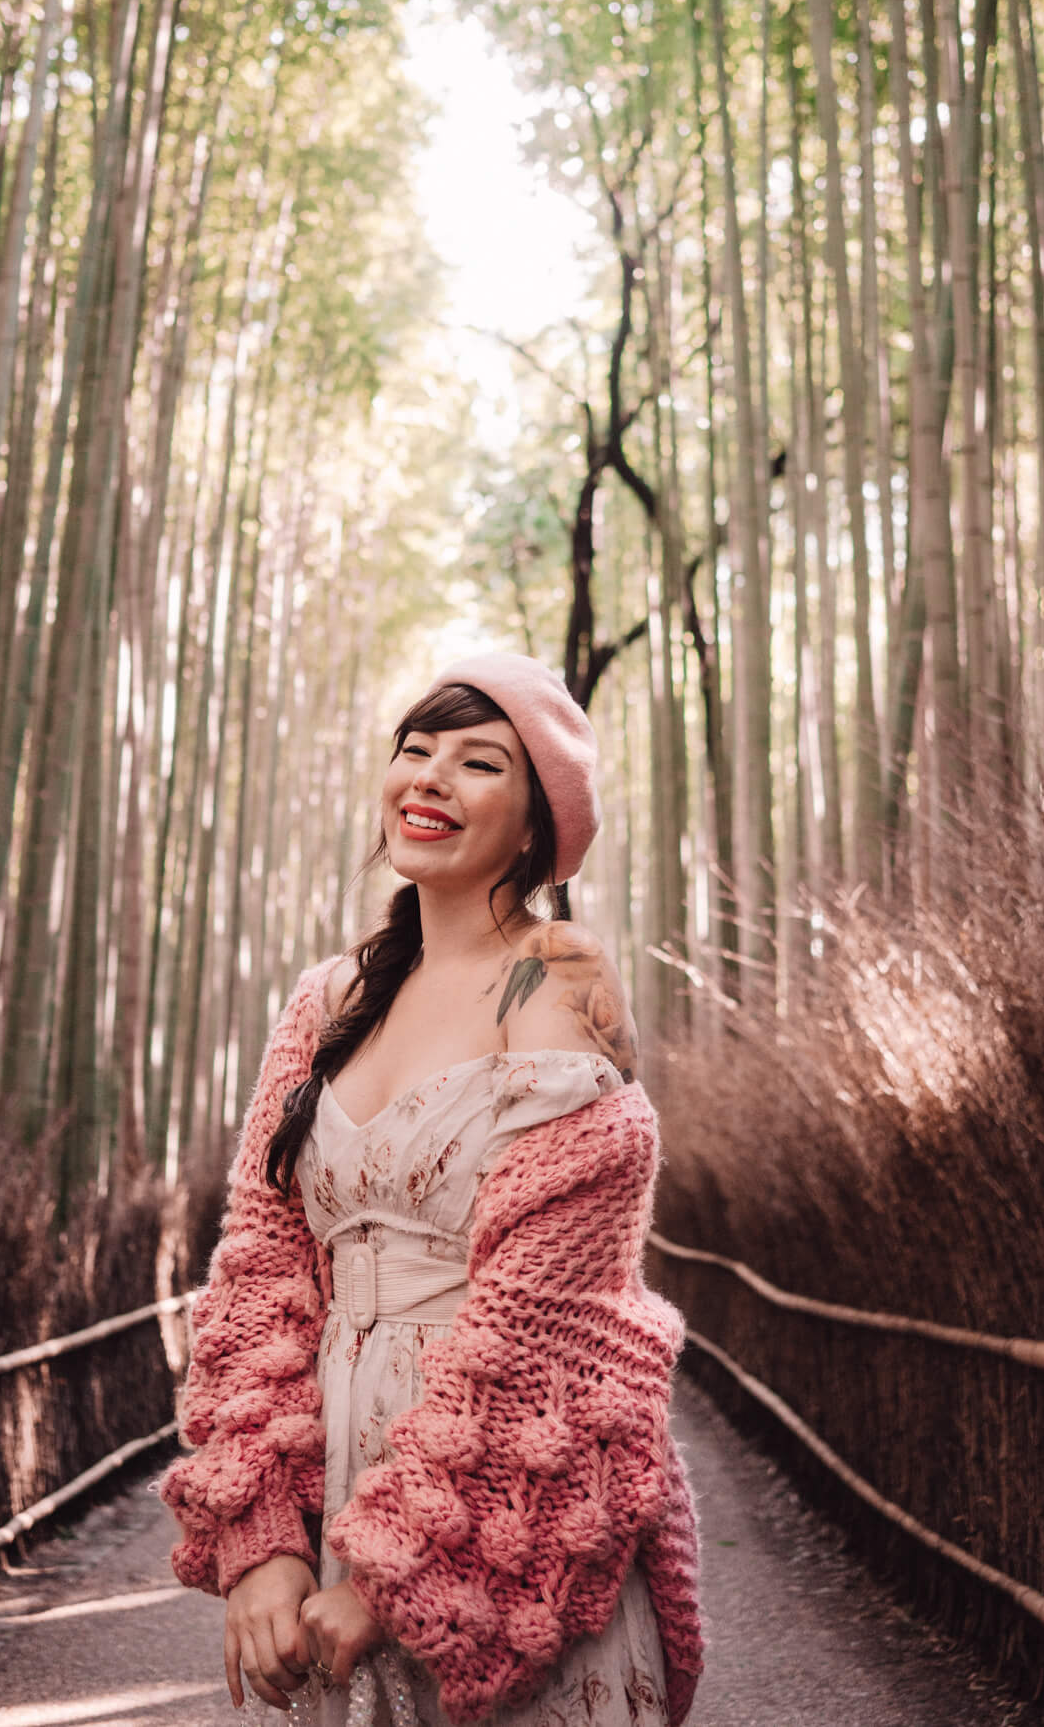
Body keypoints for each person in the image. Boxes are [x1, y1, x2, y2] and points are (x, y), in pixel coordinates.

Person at [161, 650, 703, 1726]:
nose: (429, 777)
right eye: (415, 748)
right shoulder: (329, 999)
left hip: (496, 1493)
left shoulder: (554, 987)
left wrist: (398, 1565)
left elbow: (542, 1325)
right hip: (334, 1479)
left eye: (478, 761)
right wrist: (262, 1539)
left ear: (538, 822)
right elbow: (261, 1267)